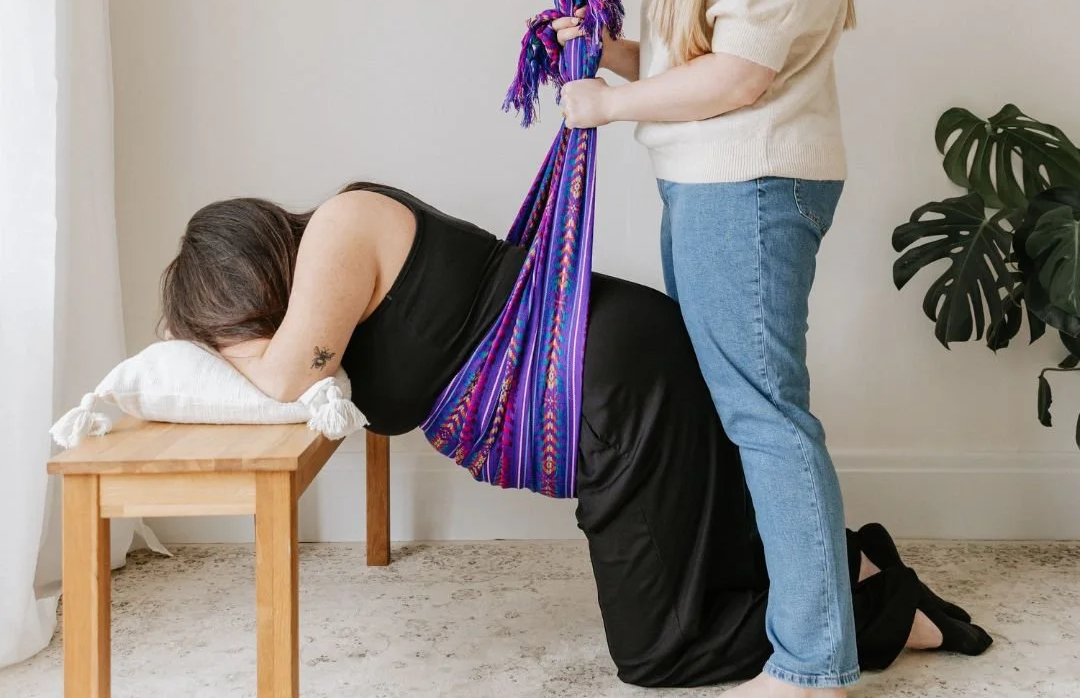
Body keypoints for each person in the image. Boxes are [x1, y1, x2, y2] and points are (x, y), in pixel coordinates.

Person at [159, 181, 991, 688]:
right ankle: (847, 562)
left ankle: (878, 612)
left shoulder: (341, 228)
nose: (241, 347)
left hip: (617, 388)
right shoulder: (327, 303)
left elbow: (283, 377)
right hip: (614, 378)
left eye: (231, 328)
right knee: (705, 558)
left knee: (660, 652)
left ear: (252, 278)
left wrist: (203, 354)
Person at [552, 0, 882, 696]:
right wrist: (608, 54)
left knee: (765, 416)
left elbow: (739, 77)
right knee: (749, 413)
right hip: (709, 188)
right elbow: (685, 64)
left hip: (750, 187)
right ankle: (826, 607)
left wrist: (610, 106)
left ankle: (815, 662)